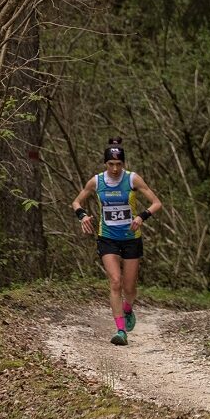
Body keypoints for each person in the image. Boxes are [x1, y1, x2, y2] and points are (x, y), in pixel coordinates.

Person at [72, 137, 163, 345]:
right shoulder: (97, 181)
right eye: (111, 164)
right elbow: (76, 201)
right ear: (105, 164)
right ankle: (121, 331)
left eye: (119, 164)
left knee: (129, 288)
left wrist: (141, 216)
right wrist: (83, 216)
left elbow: (157, 203)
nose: (115, 169)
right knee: (115, 282)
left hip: (131, 238)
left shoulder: (132, 179)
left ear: (124, 164)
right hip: (108, 238)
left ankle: (128, 308)